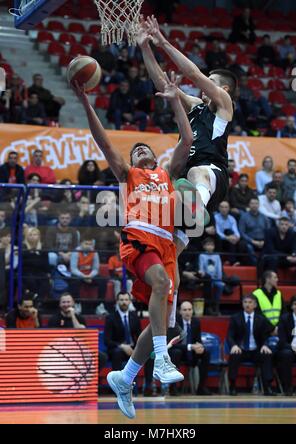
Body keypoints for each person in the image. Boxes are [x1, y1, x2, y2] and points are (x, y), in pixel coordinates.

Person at [73, 71, 193, 419]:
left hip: (165, 244)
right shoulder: (129, 174)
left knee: (162, 322)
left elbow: (186, 137)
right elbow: (104, 142)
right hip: (138, 236)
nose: (139, 150)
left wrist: (174, 98)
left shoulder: (167, 172)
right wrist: (85, 101)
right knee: (161, 283)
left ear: (155, 158)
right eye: (135, 149)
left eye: (145, 148)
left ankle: (125, 377)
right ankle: (162, 361)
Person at [137, 16, 236, 237]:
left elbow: (193, 74)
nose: (205, 83)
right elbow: (163, 84)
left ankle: (196, 207)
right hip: (187, 180)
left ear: (225, 89)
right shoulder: (196, 106)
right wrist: (145, 47)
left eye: (212, 80)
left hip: (211, 174)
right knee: (173, 243)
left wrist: (162, 41)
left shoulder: (224, 105)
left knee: (196, 173)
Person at [226, 294, 275, 396]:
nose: (247, 305)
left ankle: (267, 387)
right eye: (245, 302)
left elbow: (265, 336)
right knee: (234, 355)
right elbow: (230, 335)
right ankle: (233, 386)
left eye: (250, 302)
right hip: (241, 349)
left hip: (256, 350)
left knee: (266, 355)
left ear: (255, 305)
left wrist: (265, 345)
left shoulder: (261, 319)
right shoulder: (235, 318)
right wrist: (234, 345)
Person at [168, 301, 211, 396]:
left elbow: (198, 340)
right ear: (180, 312)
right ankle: (173, 388)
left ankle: (201, 388)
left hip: (192, 353)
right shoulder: (175, 323)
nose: (187, 312)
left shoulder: (196, 322)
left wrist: (200, 347)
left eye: (189, 309)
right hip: (178, 352)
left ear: (192, 311)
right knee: (176, 352)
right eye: (185, 310)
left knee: (205, 353)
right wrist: (191, 347)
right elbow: (172, 344)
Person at [104, 291, 141, 371]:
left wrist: (137, 349)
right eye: (121, 300)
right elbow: (107, 341)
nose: (124, 302)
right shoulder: (110, 318)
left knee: (149, 354)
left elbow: (140, 336)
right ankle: (117, 381)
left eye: (126, 300)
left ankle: (149, 382)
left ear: (130, 301)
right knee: (117, 353)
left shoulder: (134, 317)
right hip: (117, 348)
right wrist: (122, 346)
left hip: (132, 348)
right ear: (117, 301)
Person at [277, 295, 296, 396]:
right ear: (291, 307)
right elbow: (282, 341)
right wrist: (295, 348)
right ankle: (287, 387)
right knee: (286, 354)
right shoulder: (284, 319)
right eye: (294, 304)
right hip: (289, 349)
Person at [22, 227, 51, 302]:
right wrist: (36, 256)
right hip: (26, 271)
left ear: (39, 236)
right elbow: (25, 263)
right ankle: (34, 301)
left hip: (40, 271)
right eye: (30, 235)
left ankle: (38, 301)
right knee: (31, 282)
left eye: (35, 234)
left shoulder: (43, 247)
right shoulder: (23, 247)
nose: (33, 236)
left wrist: (48, 272)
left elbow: (45, 262)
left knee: (45, 282)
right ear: (26, 236)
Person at [239, 197, 270, 265]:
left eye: (256, 203)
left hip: (263, 240)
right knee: (247, 246)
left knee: (270, 245)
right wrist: (253, 241)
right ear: (249, 205)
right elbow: (242, 233)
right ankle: (256, 264)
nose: (254, 205)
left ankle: (263, 263)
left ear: (259, 205)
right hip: (250, 240)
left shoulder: (264, 217)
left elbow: (268, 231)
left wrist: (264, 241)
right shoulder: (244, 217)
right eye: (252, 203)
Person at [198, 237, 224, 316]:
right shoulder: (202, 255)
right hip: (207, 279)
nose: (210, 246)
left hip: (216, 278)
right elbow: (201, 268)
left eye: (211, 245)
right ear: (204, 246)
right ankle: (209, 306)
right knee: (209, 285)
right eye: (208, 245)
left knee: (221, 285)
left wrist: (219, 278)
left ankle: (216, 306)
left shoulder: (217, 256)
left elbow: (219, 269)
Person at [214, 201, 243, 265]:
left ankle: (234, 261)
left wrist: (237, 237)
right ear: (219, 208)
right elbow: (218, 232)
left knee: (232, 234)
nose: (224, 209)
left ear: (229, 208)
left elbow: (236, 231)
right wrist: (227, 237)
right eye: (222, 207)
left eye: (226, 207)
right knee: (225, 234)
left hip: (230, 240)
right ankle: (227, 261)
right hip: (219, 239)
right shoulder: (215, 217)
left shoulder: (231, 218)